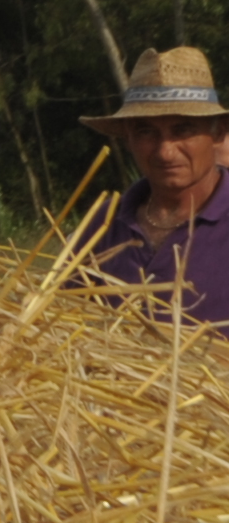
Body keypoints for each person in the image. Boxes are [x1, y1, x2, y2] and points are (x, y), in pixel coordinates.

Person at [91, 47, 229, 326]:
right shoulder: (102, 225)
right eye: (146, 132)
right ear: (128, 137)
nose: (165, 151)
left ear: (217, 132)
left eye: (183, 130)